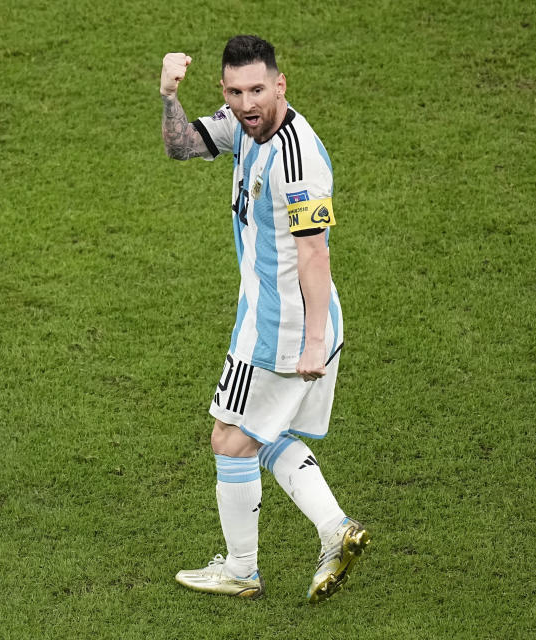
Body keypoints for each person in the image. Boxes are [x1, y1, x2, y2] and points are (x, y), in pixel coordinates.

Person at [159, 35, 368, 603]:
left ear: (281, 85)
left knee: (229, 440)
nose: (246, 104)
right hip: (275, 320)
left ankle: (241, 570)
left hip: (285, 330)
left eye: (257, 90)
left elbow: (315, 251)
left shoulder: (297, 158)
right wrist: (169, 95)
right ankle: (336, 529)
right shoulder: (244, 125)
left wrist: (313, 343)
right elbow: (182, 147)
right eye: (234, 91)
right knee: (265, 436)